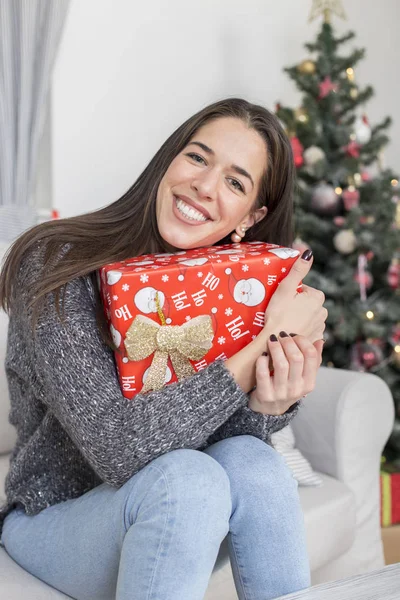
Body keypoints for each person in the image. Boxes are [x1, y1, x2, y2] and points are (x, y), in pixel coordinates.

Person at [0, 98, 327, 600]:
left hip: (177, 516)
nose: (205, 185)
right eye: (197, 158)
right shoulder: (56, 263)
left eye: (236, 182)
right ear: (169, 161)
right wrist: (258, 348)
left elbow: (214, 443)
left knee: (254, 463)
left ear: (251, 216)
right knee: (187, 478)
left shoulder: (239, 295)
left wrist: (266, 406)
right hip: (53, 518)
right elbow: (119, 449)